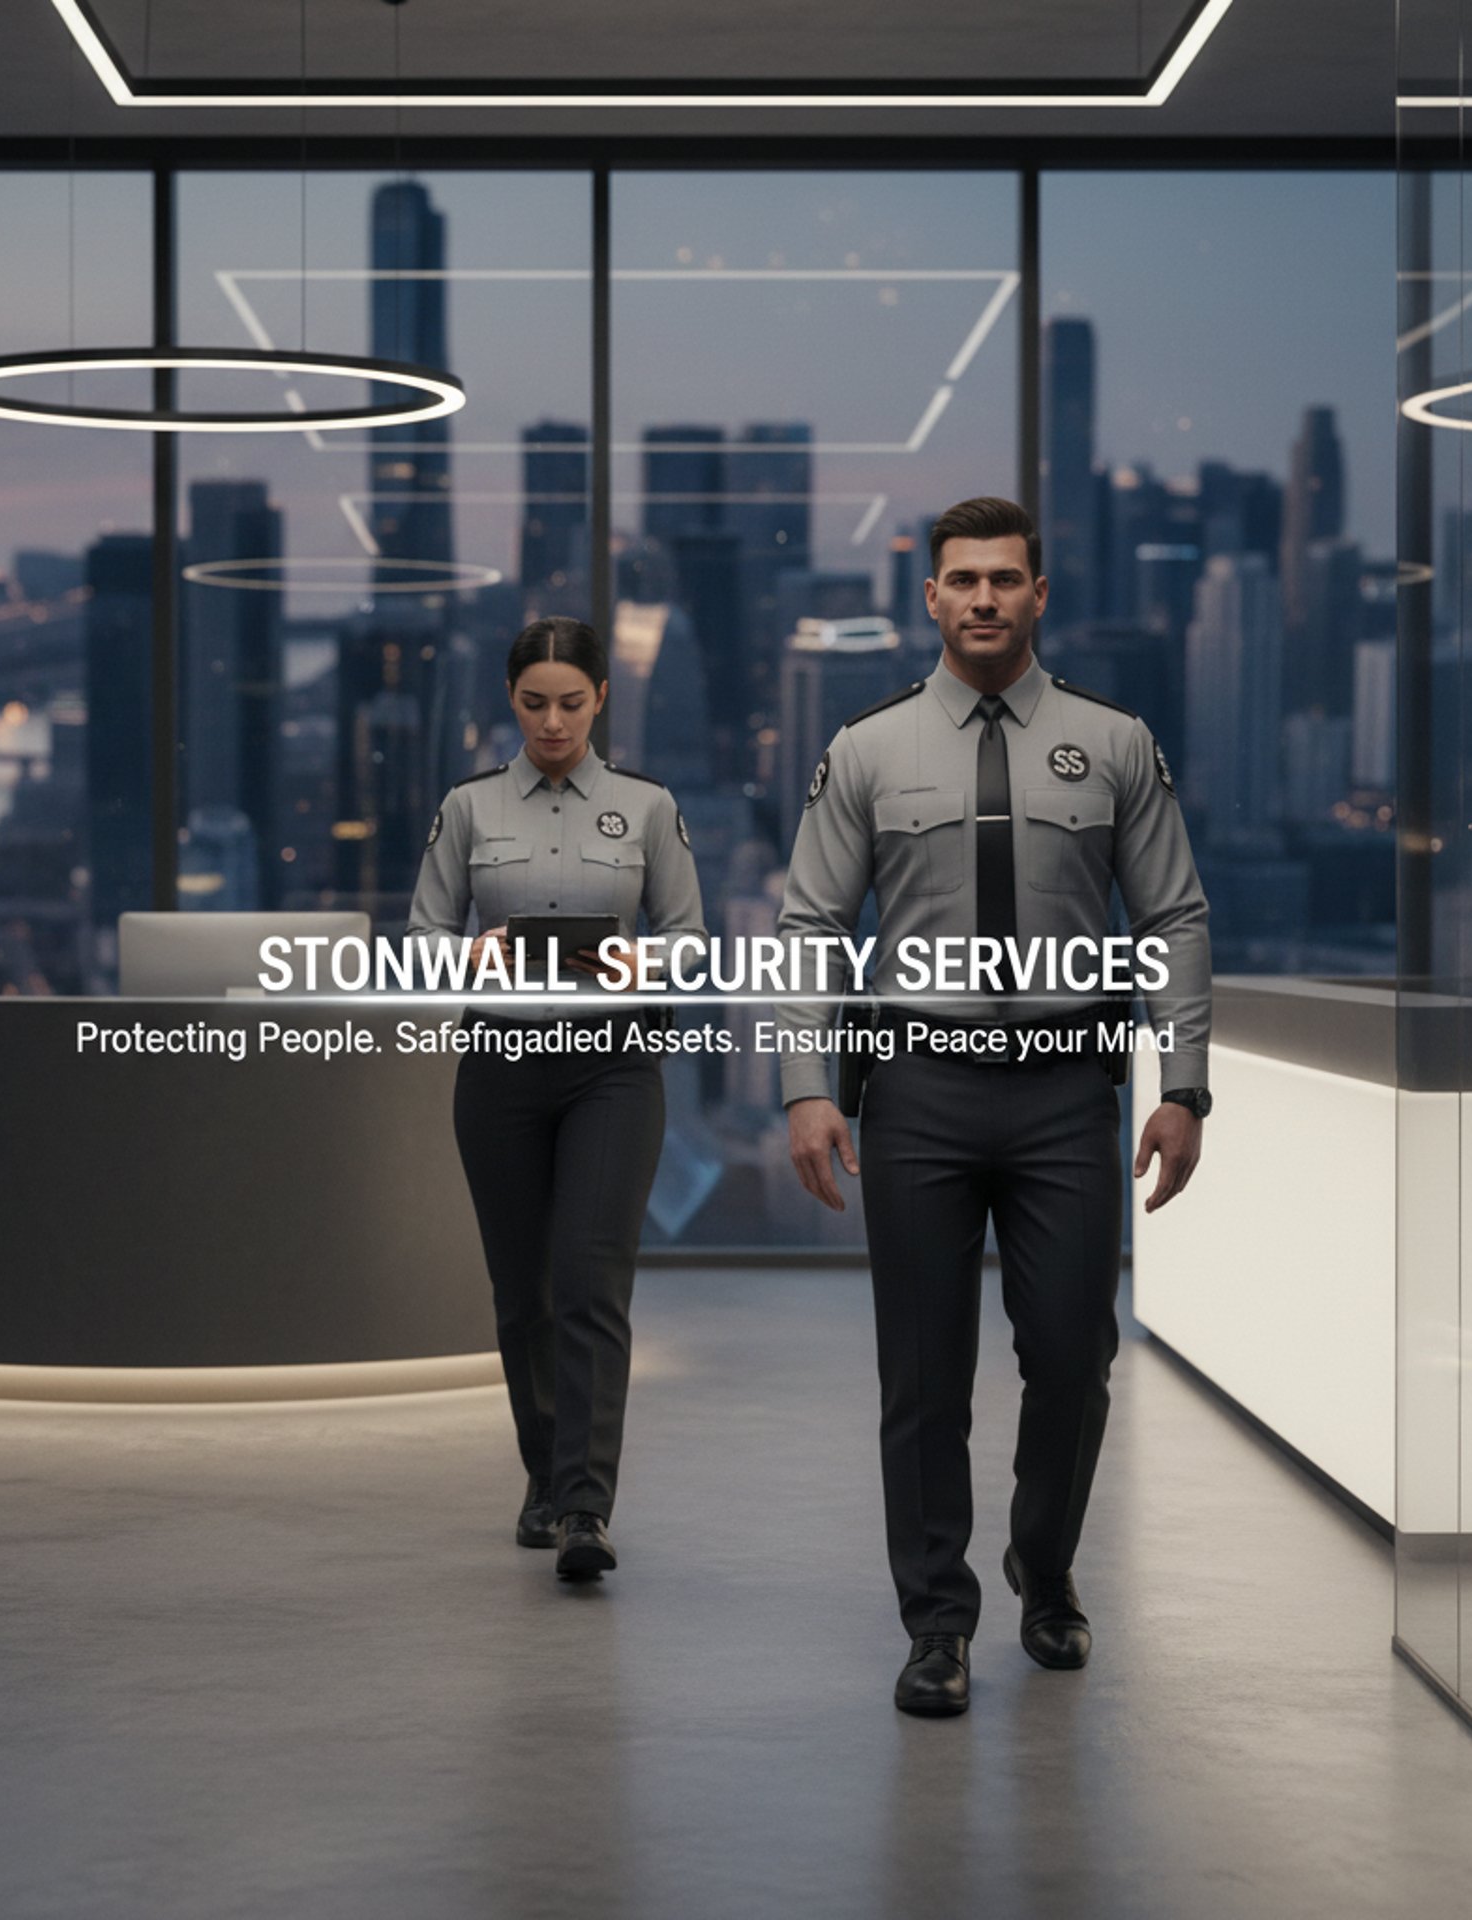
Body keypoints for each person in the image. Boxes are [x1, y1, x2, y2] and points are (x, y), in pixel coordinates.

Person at [776, 496, 1211, 1716]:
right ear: (930, 597)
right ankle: (938, 1622)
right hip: (917, 1089)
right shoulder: (866, 747)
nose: (982, 599)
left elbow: (1171, 916)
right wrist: (810, 1088)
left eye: (1004, 579)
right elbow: (813, 923)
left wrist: (1184, 1084)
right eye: (961, 579)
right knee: (923, 1375)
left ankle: (1046, 1563)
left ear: (1038, 595)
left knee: (1074, 1356)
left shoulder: (1113, 741)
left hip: (1069, 1095)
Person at [408, 616, 706, 1582]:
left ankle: (585, 1506)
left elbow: (691, 938)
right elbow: (420, 940)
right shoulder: (468, 808)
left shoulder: (647, 807)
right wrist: (471, 954)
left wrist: (639, 959)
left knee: (589, 1277)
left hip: (614, 1063)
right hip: (499, 1060)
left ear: (600, 701)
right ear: (511, 701)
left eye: (571, 703)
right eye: (534, 703)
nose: (552, 721)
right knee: (522, 1292)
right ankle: (544, 1477)